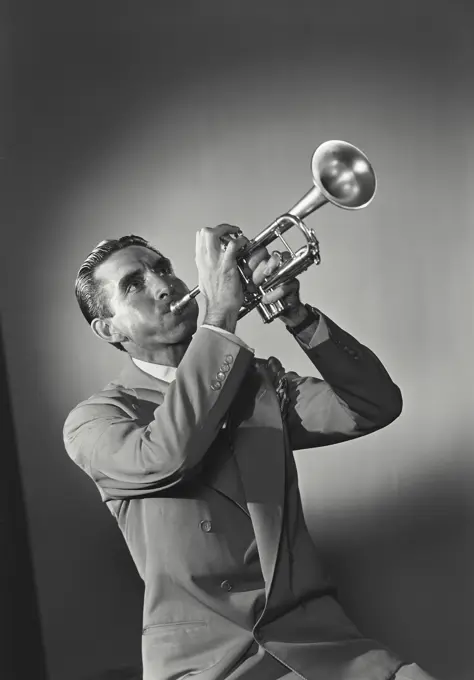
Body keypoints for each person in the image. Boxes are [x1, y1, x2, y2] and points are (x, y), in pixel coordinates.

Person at [64, 226, 436, 680]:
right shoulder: (95, 420)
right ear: (108, 328)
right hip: (207, 660)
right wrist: (219, 314)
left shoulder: (257, 383)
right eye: (134, 285)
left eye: (162, 269)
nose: (163, 286)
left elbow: (373, 406)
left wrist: (296, 315)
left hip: (315, 641)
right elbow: (166, 456)